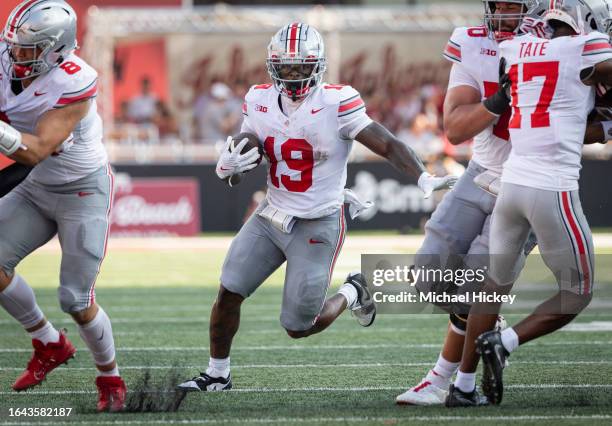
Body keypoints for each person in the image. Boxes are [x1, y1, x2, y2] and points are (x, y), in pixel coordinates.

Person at [177, 22, 456, 392]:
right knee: (228, 291)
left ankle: (355, 291)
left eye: (301, 67)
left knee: (298, 326)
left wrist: (422, 177)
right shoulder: (259, 100)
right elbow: (245, 157)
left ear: (318, 66)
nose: (293, 76)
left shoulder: (337, 102)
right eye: (286, 67)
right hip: (271, 216)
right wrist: (229, 169)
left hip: (317, 221)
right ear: (273, 67)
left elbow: (387, 144)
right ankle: (217, 373)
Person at [454, 0, 612, 406]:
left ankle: (463, 387)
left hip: (513, 186)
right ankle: (504, 342)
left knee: (492, 288)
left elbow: (568, 114)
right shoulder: (586, 47)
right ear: (588, 25)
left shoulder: (516, 48)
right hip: (551, 187)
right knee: (577, 292)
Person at [396, 0, 542, 407]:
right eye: (496, 6)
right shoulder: (473, 42)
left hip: (530, 180)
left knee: (479, 285)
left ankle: (457, 382)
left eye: (511, 7)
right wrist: (497, 102)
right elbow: (456, 129)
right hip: (481, 171)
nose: (500, 16)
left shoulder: (561, 49)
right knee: (427, 277)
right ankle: (485, 320)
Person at [0, 0, 125, 412]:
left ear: (55, 51)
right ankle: (49, 342)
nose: (15, 55)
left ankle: (110, 377)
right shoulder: (6, 59)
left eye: (27, 49)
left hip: (82, 190)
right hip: (39, 188)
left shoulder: (75, 82)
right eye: (14, 45)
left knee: (76, 298)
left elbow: (34, 151)